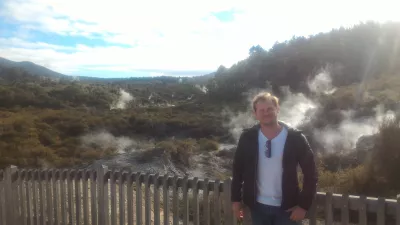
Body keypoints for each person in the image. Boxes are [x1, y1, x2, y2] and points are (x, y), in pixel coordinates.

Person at [231, 92, 318, 225]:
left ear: (277, 109)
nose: (266, 113)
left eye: (270, 109)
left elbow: (311, 173)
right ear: (255, 113)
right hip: (257, 208)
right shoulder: (247, 138)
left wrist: (303, 206)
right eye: (262, 110)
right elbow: (237, 170)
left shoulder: (295, 138)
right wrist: (236, 200)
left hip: (288, 209)